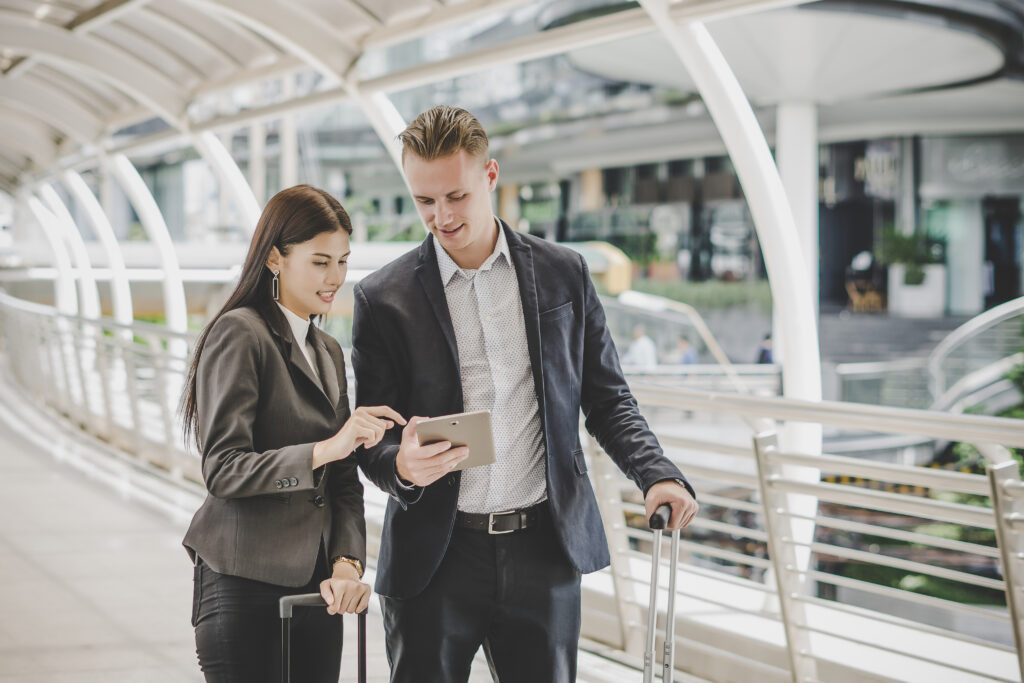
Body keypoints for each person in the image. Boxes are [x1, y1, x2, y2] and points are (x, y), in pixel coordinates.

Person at [352, 106, 698, 683]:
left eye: (455, 196)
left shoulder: (565, 273)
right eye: (424, 201)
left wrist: (656, 472)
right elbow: (374, 439)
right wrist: (401, 465)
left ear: (490, 177)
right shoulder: (383, 298)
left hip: (543, 551)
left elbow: (608, 397)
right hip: (435, 559)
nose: (441, 216)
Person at [180, 185, 405, 683]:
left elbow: (344, 480)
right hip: (242, 585)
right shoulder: (241, 332)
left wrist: (346, 564)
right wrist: (325, 448)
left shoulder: (327, 351)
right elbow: (223, 468)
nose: (336, 279)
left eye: (343, 262)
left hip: (315, 589)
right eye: (320, 262)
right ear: (276, 259)